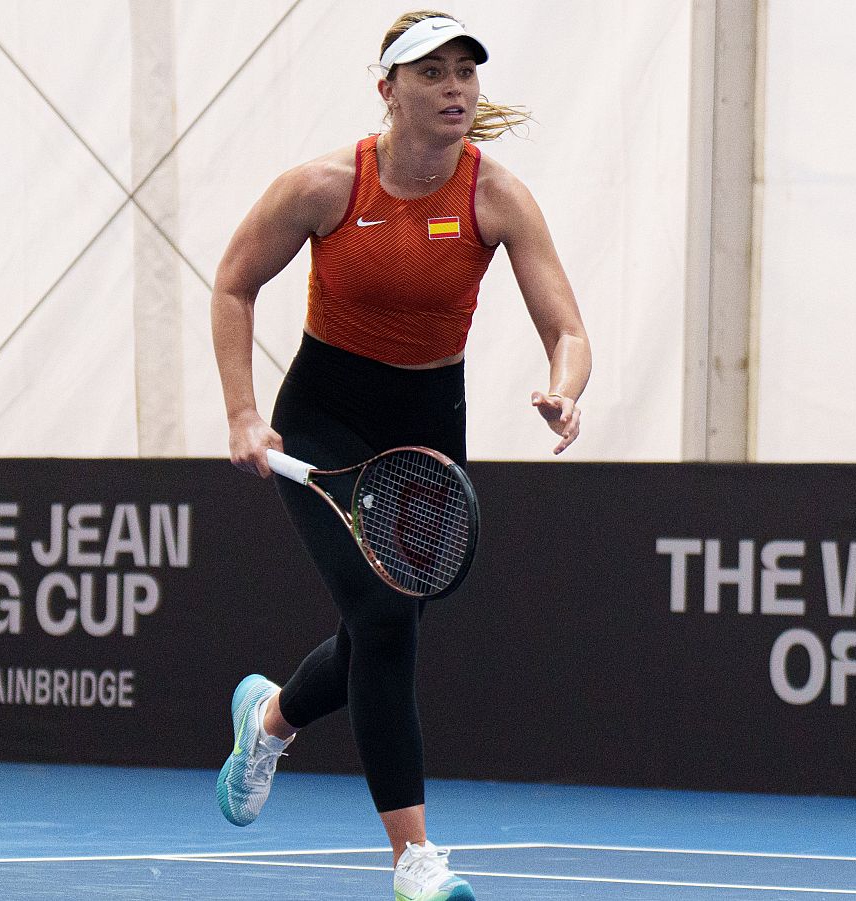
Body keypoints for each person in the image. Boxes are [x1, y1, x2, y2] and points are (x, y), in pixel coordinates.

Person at [208, 9, 591, 901]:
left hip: (427, 434)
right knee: (383, 619)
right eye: (433, 74)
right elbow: (234, 283)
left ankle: (268, 719)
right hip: (322, 422)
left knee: (384, 628)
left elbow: (566, 327)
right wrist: (241, 412)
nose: (455, 88)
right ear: (389, 89)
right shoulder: (324, 187)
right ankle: (414, 860)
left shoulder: (496, 197)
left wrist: (565, 387)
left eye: (466, 72)